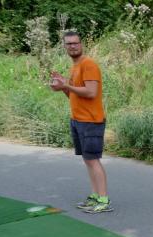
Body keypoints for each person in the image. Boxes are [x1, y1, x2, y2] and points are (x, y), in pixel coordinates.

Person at [49, 31, 111, 214]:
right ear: (65, 46)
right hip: (77, 120)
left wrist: (66, 85)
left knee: (93, 160)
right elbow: (73, 95)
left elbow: (91, 92)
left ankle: (104, 200)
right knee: (88, 160)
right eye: (69, 44)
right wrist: (63, 87)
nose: (73, 46)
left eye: (75, 43)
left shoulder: (88, 64)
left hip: (91, 120)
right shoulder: (75, 67)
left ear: (81, 44)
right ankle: (95, 196)